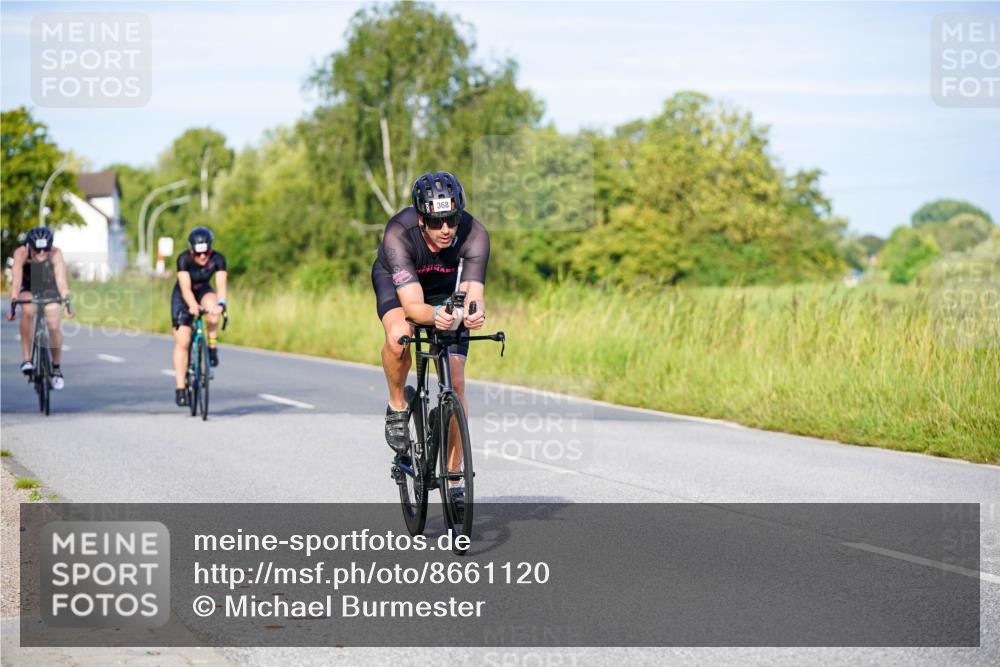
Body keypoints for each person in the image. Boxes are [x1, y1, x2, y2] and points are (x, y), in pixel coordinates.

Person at [372, 171, 489, 501]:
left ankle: (454, 478)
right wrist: (436, 315)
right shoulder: (398, 232)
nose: (446, 229)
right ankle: (397, 405)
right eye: (436, 222)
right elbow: (412, 307)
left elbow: (473, 293)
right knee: (399, 336)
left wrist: (473, 312)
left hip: (445, 292)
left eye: (452, 219)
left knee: (456, 382)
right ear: (421, 219)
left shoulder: (475, 234)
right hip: (400, 286)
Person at [6, 226, 74, 389]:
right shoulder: (21, 253)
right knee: (27, 310)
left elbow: (61, 280)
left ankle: (56, 368)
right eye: (37, 251)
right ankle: (27, 359)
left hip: (49, 287)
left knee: (53, 322)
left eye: (45, 250)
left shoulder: (56, 253)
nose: (42, 254)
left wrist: (66, 301)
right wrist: (13, 302)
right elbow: (16, 280)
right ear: (30, 246)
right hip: (28, 286)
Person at [171, 226, 227, 406]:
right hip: (183, 296)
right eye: (198, 253)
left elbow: (221, 286)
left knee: (213, 306)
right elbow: (186, 289)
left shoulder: (218, 259)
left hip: (203, 290)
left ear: (211, 249)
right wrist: (193, 305)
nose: (202, 257)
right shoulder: (184, 259)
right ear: (191, 250)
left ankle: (212, 346)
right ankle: (180, 388)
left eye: (206, 252)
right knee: (183, 342)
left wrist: (221, 304)